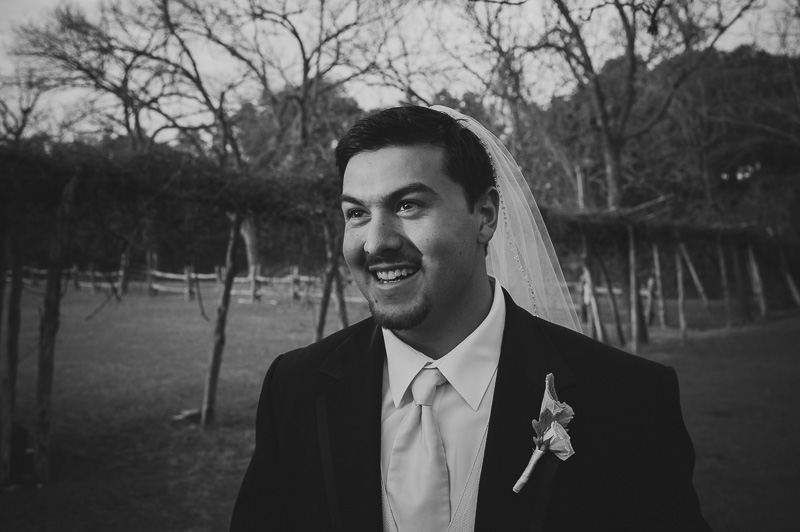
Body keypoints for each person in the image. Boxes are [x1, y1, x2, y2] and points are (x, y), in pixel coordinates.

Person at [230, 105, 711, 532]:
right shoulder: (293, 389)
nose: (375, 242)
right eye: (356, 213)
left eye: (407, 205)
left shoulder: (627, 400)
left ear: (484, 216)